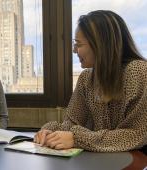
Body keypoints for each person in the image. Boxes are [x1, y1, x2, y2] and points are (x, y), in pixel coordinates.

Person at [34, 10, 147, 152]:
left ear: (100, 44)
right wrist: (49, 132)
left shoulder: (139, 72)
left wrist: (77, 138)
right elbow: (71, 123)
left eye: (78, 44)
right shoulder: (86, 78)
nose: (74, 50)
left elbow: (136, 134)